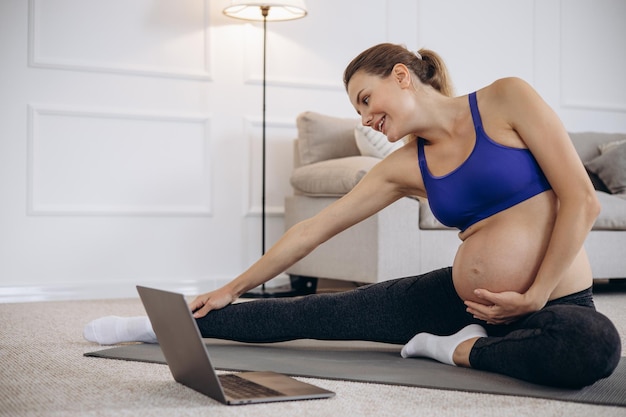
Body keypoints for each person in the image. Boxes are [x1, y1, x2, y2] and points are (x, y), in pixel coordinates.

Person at [84, 43, 621, 388]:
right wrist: (232, 286)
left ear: (402, 75)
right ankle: (157, 324)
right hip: (460, 299)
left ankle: (454, 349)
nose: (367, 118)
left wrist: (532, 294)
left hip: (555, 300)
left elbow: (582, 199)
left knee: (593, 349)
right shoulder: (404, 166)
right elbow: (315, 228)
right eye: (358, 111)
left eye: (367, 99)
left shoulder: (506, 99)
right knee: (312, 315)